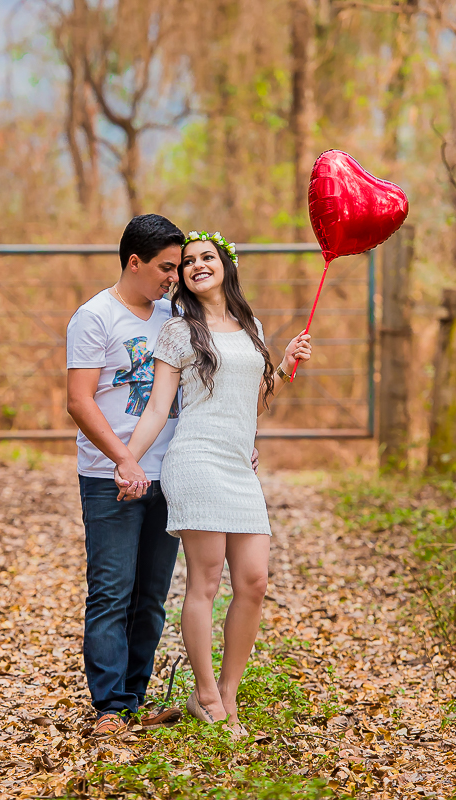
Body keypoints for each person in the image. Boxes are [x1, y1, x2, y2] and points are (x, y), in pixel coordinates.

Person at [119, 229, 312, 736]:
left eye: (207, 257)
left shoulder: (251, 326)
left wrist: (284, 366)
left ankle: (228, 693)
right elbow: (158, 408)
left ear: (226, 264)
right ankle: (206, 695)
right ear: (182, 276)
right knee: (204, 583)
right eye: (187, 262)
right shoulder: (178, 332)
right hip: (196, 460)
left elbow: (253, 405)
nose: (197, 265)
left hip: (238, 467)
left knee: (254, 581)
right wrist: (127, 460)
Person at [65, 214, 186, 736]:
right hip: (109, 477)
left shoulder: (174, 316)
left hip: (171, 474)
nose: (174, 278)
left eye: (178, 268)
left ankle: (134, 698)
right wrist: (124, 459)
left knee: (152, 596)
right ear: (134, 262)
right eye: (166, 267)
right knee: (112, 591)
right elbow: (79, 400)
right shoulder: (94, 317)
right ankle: (110, 707)